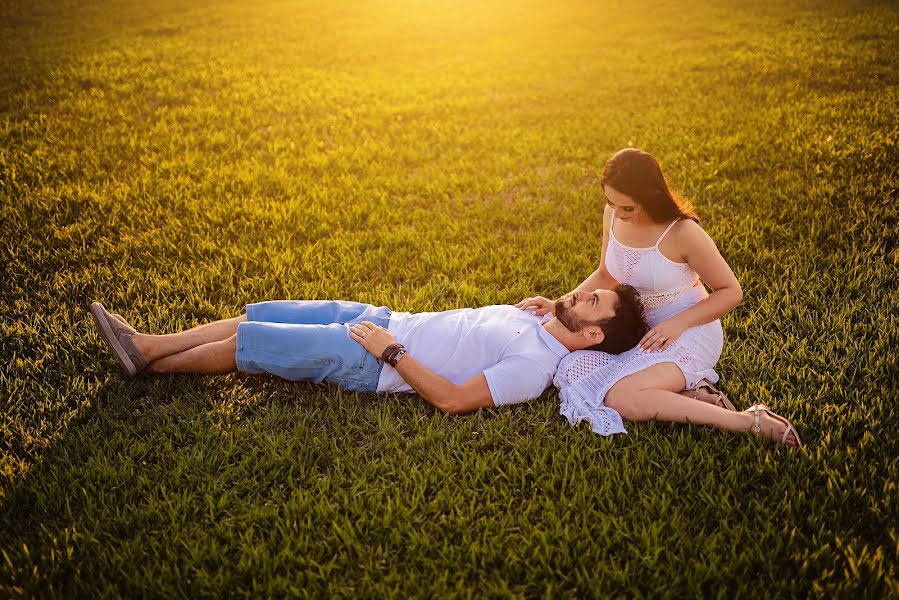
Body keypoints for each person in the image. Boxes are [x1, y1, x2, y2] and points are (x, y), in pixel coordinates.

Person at [517, 148, 801, 447]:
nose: (617, 213)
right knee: (574, 362)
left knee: (622, 398)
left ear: (651, 196)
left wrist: (677, 324)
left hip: (687, 330)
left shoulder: (682, 232)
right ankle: (693, 394)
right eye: (610, 202)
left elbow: (730, 292)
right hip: (635, 330)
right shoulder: (613, 215)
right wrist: (561, 304)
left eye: (626, 207)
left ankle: (748, 421)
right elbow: (605, 274)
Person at [89, 283, 646, 415]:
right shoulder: (542, 318)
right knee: (263, 314)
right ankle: (148, 348)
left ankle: (145, 355)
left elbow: (452, 399)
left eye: (592, 300)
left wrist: (390, 353)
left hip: (372, 357)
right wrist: (544, 307)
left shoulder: (534, 371)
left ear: (593, 335)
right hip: (380, 318)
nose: (582, 291)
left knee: (252, 344)